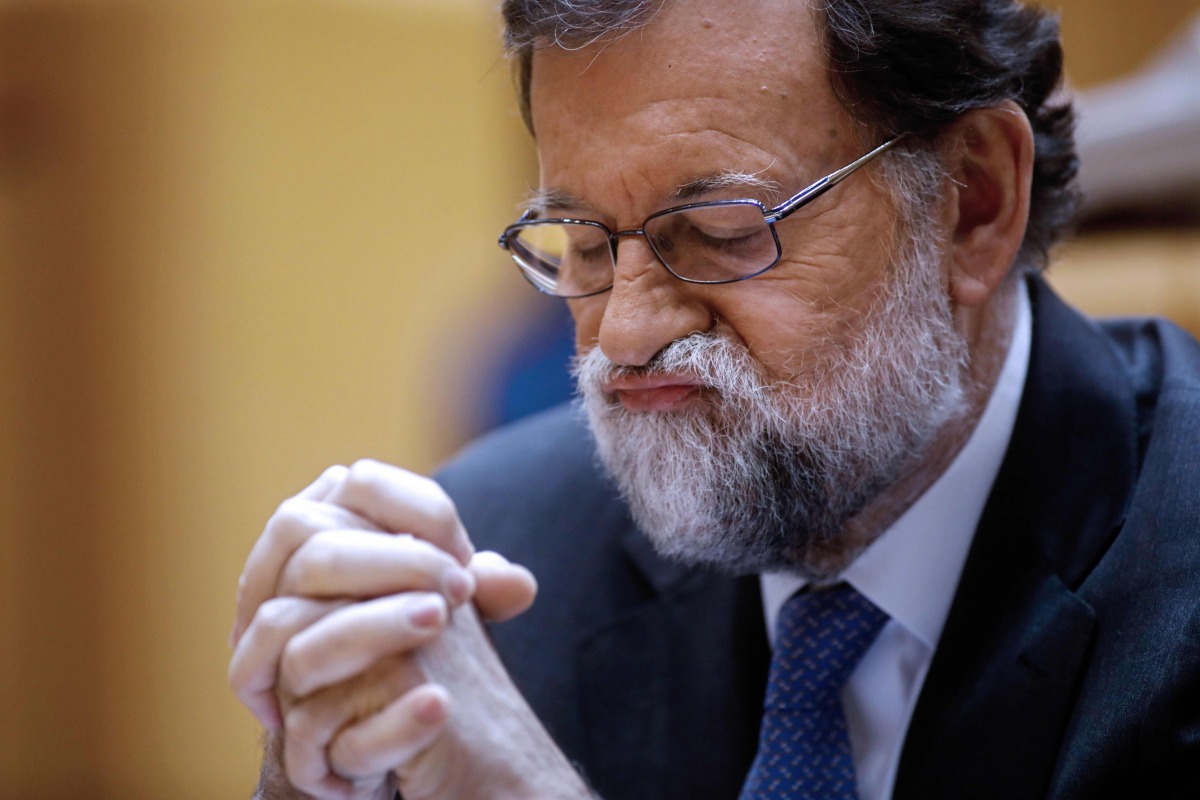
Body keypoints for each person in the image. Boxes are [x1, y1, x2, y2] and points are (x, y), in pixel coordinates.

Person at [227, 0, 1200, 798]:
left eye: (721, 231)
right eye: (587, 242)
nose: (625, 335)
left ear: (974, 201)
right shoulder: (494, 565)